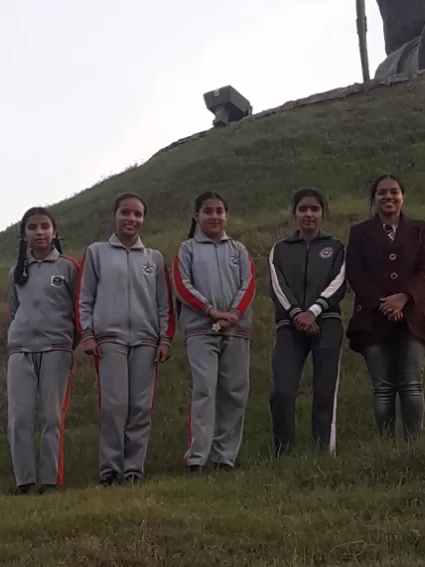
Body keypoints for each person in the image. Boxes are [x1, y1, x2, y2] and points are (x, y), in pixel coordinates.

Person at [79, 194, 174, 486]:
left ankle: (133, 469)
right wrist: (87, 334)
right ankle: (110, 470)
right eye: (125, 213)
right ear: (115, 215)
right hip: (110, 339)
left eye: (138, 214)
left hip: (146, 340)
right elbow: (85, 297)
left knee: (141, 407)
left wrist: (165, 338)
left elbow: (164, 304)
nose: (131, 219)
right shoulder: (96, 253)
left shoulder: (154, 259)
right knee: (114, 405)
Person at [345, 175, 425, 438]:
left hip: (413, 317)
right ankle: (385, 446)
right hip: (373, 318)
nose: (388, 197)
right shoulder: (360, 232)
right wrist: (383, 303)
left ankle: (413, 447)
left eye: (394, 192)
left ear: (403, 196)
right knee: (383, 388)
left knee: (411, 385)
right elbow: (355, 272)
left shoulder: (420, 229)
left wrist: (404, 297)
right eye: (382, 192)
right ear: (374, 198)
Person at [173, 191, 255, 472]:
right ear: (197, 216)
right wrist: (210, 310)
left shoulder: (238, 250)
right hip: (200, 329)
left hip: (236, 329)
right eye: (208, 211)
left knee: (234, 392)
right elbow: (183, 286)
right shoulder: (187, 249)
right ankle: (197, 457)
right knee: (205, 391)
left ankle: (225, 458)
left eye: (219, 211)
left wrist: (234, 314)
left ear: (226, 215)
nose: (214, 216)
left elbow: (249, 285)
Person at [5, 207, 81, 493]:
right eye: (32, 227)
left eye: (45, 227)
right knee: (19, 418)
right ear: (24, 234)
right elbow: (14, 309)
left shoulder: (68, 267)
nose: (39, 232)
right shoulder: (16, 272)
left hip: (57, 348)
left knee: (52, 417)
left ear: (54, 232)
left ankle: (50, 480)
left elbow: (78, 309)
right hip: (20, 349)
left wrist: (70, 341)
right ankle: (24, 481)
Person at [267, 189, 347, 454]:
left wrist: (313, 311)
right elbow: (278, 286)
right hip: (289, 326)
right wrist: (296, 314)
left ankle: (322, 451)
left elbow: (338, 282)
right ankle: (283, 452)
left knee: (324, 391)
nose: (309, 214)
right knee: (282, 391)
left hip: (328, 322)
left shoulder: (336, 248)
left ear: (323, 212)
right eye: (303, 209)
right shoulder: (280, 249)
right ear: (295, 214)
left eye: (314, 209)